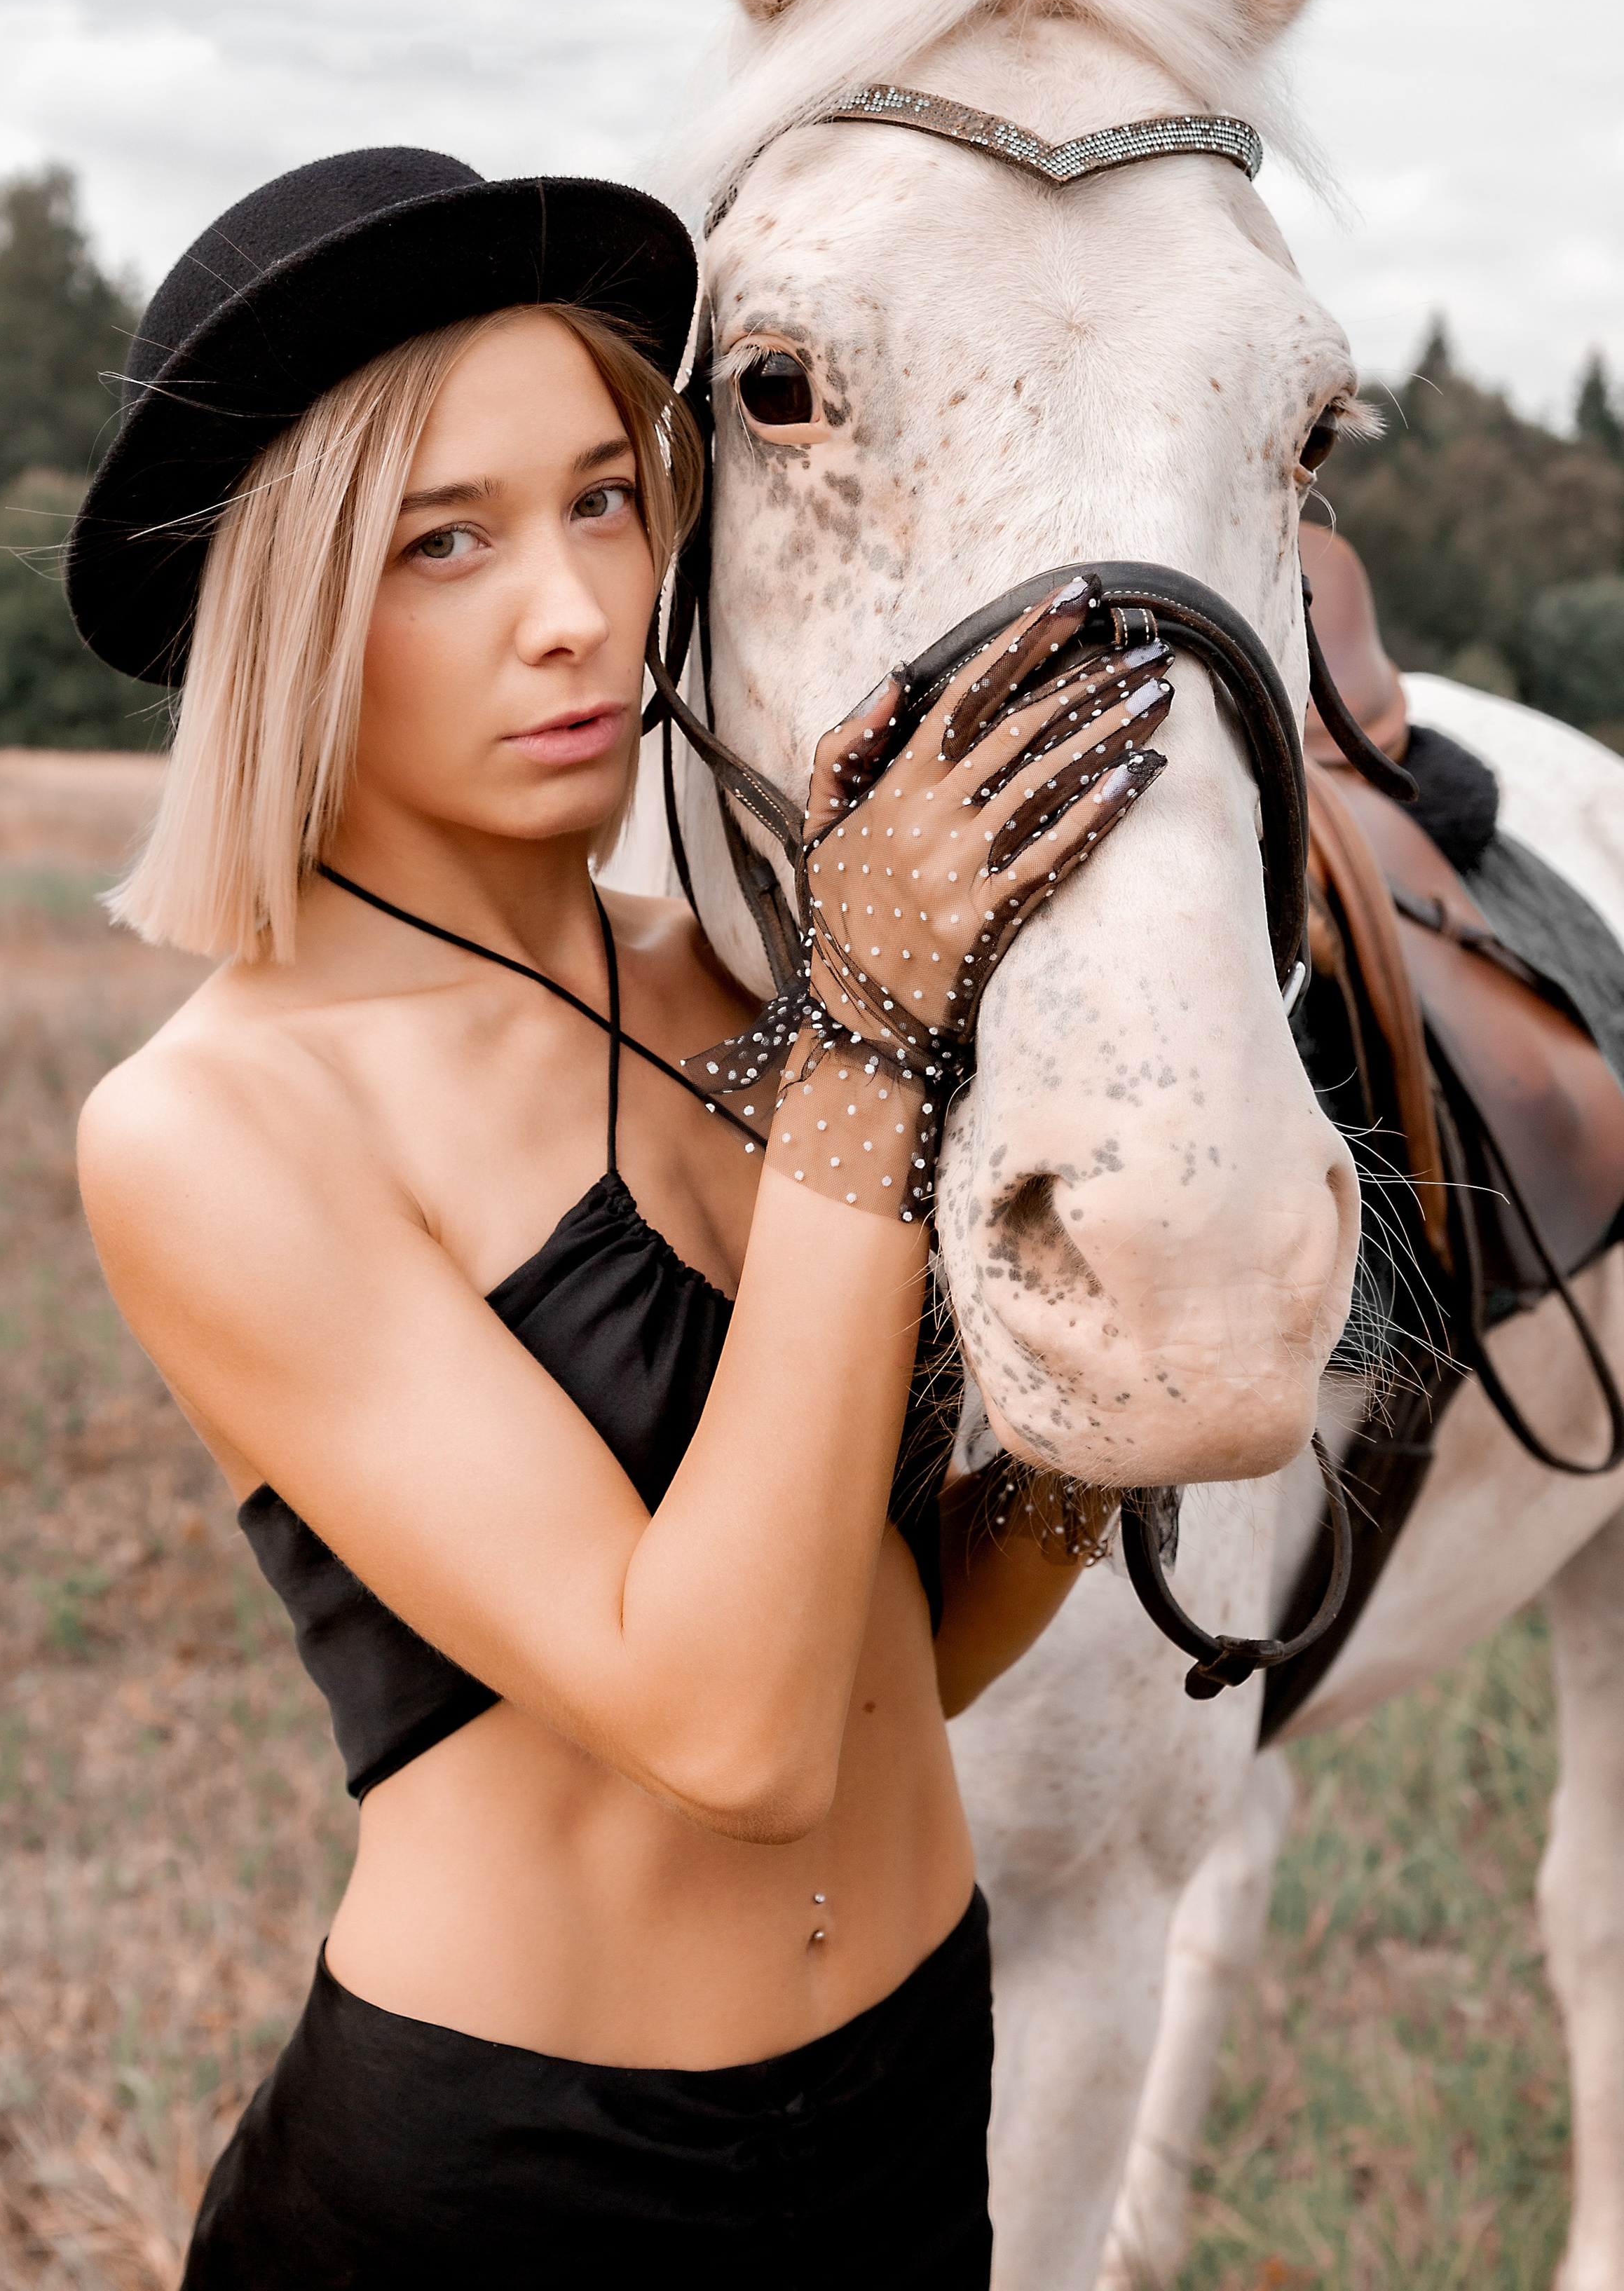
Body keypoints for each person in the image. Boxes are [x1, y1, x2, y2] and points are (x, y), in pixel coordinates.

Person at [67, 146, 1172, 2288]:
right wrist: (874, 1036)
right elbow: (726, 1730)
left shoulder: (734, 986)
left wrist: (1101, 1414)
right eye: (445, 541)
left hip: (910, 2092)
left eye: (601, 499)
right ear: (287, 615)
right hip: (515, 2189)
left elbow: (886, 1654)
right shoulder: (219, 1126)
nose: (575, 607)